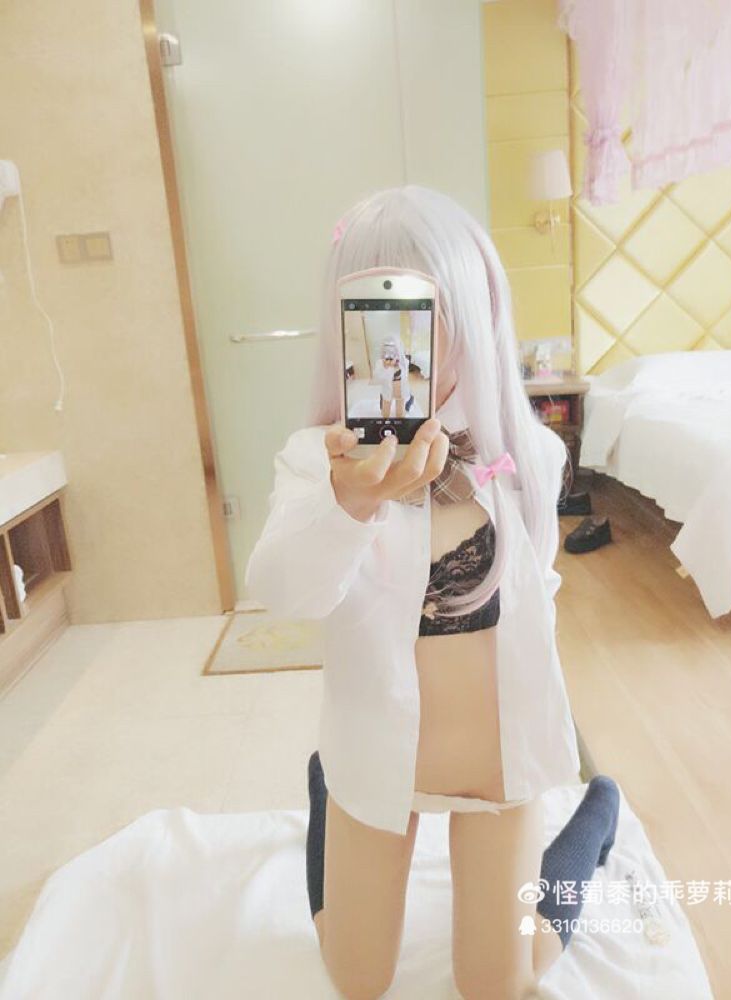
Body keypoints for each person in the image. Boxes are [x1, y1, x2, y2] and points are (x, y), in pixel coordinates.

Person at [244, 185, 620, 1000]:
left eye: (424, 311)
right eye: (377, 317)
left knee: (497, 984)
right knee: (358, 980)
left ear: (477, 312)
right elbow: (282, 590)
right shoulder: (319, 461)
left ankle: (597, 816)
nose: (399, 346)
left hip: (496, 764)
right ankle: (326, 787)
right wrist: (348, 505)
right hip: (377, 754)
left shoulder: (527, 454)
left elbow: (541, 591)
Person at [372, 335, 414, 418]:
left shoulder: (404, 362)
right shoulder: (380, 363)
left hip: (400, 391)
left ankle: (409, 401)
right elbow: (377, 378)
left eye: (394, 352)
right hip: (387, 391)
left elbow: (405, 378)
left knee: (400, 414)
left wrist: (397, 364)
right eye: (387, 352)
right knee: (385, 414)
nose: (390, 355)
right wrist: (386, 367)